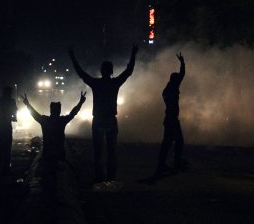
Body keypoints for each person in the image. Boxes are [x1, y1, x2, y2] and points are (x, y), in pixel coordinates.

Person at [69, 44, 138, 183]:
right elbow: (128, 71)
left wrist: (72, 57)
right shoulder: (115, 83)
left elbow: (81, 73)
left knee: (98, 151)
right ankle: (111, 177)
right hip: (111, 120)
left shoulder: (96, 83)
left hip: (99, 119)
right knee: (111, 151)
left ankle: (99, 177)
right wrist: (133, 54)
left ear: (101, 71)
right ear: (111, 71)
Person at [149, 52, 186, 182]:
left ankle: (163, 165)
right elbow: (182, 75)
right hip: (172, 119)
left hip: (170, 119)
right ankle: (172, 164)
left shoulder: (167, 89)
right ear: (174, 80)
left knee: (169, 143)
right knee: (176, 142)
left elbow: (180, 76)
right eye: (177, 80)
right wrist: (182, 63)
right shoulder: (172, 88)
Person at [21, 92, 86, 160]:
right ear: (59, 111)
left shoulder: (45, 120)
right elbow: (73, 113)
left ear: (51, 110)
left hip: (47, 152)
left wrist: (27, 104)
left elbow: (34, 114)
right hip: (59, 152)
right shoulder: (62, 120)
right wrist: (80, 102)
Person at [0, 86, 18, 177]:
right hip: (6, 126)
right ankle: (6, 169)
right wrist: (14, 117)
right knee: (7, 147)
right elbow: (14, 111)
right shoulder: (11, 101)